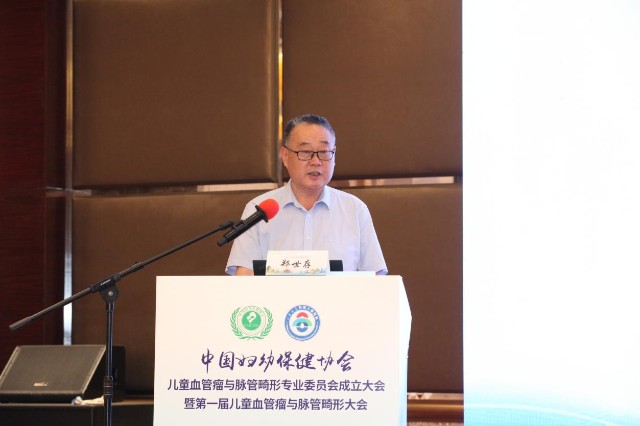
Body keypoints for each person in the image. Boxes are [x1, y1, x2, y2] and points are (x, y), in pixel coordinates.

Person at [225, 114, 387, 275]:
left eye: (324, 151)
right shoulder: (258, 210)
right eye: (305, 151)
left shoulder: (355, 210)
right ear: (285, 156)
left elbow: (376, 277)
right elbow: (244, 277)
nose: (316, 161)